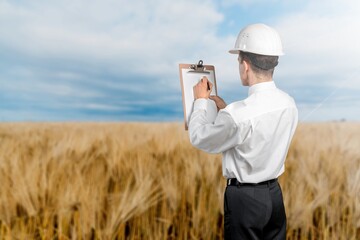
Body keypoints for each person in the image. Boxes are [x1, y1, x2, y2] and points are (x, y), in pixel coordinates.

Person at [188, 23, 298, 240]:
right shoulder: (288, 103)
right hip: (274, 196)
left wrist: (201, 102)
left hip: (245, 202)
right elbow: (254, 131)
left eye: (239, 61)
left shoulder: (238, 115)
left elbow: (199, 137)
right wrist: (225, 109)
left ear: (245, 65)